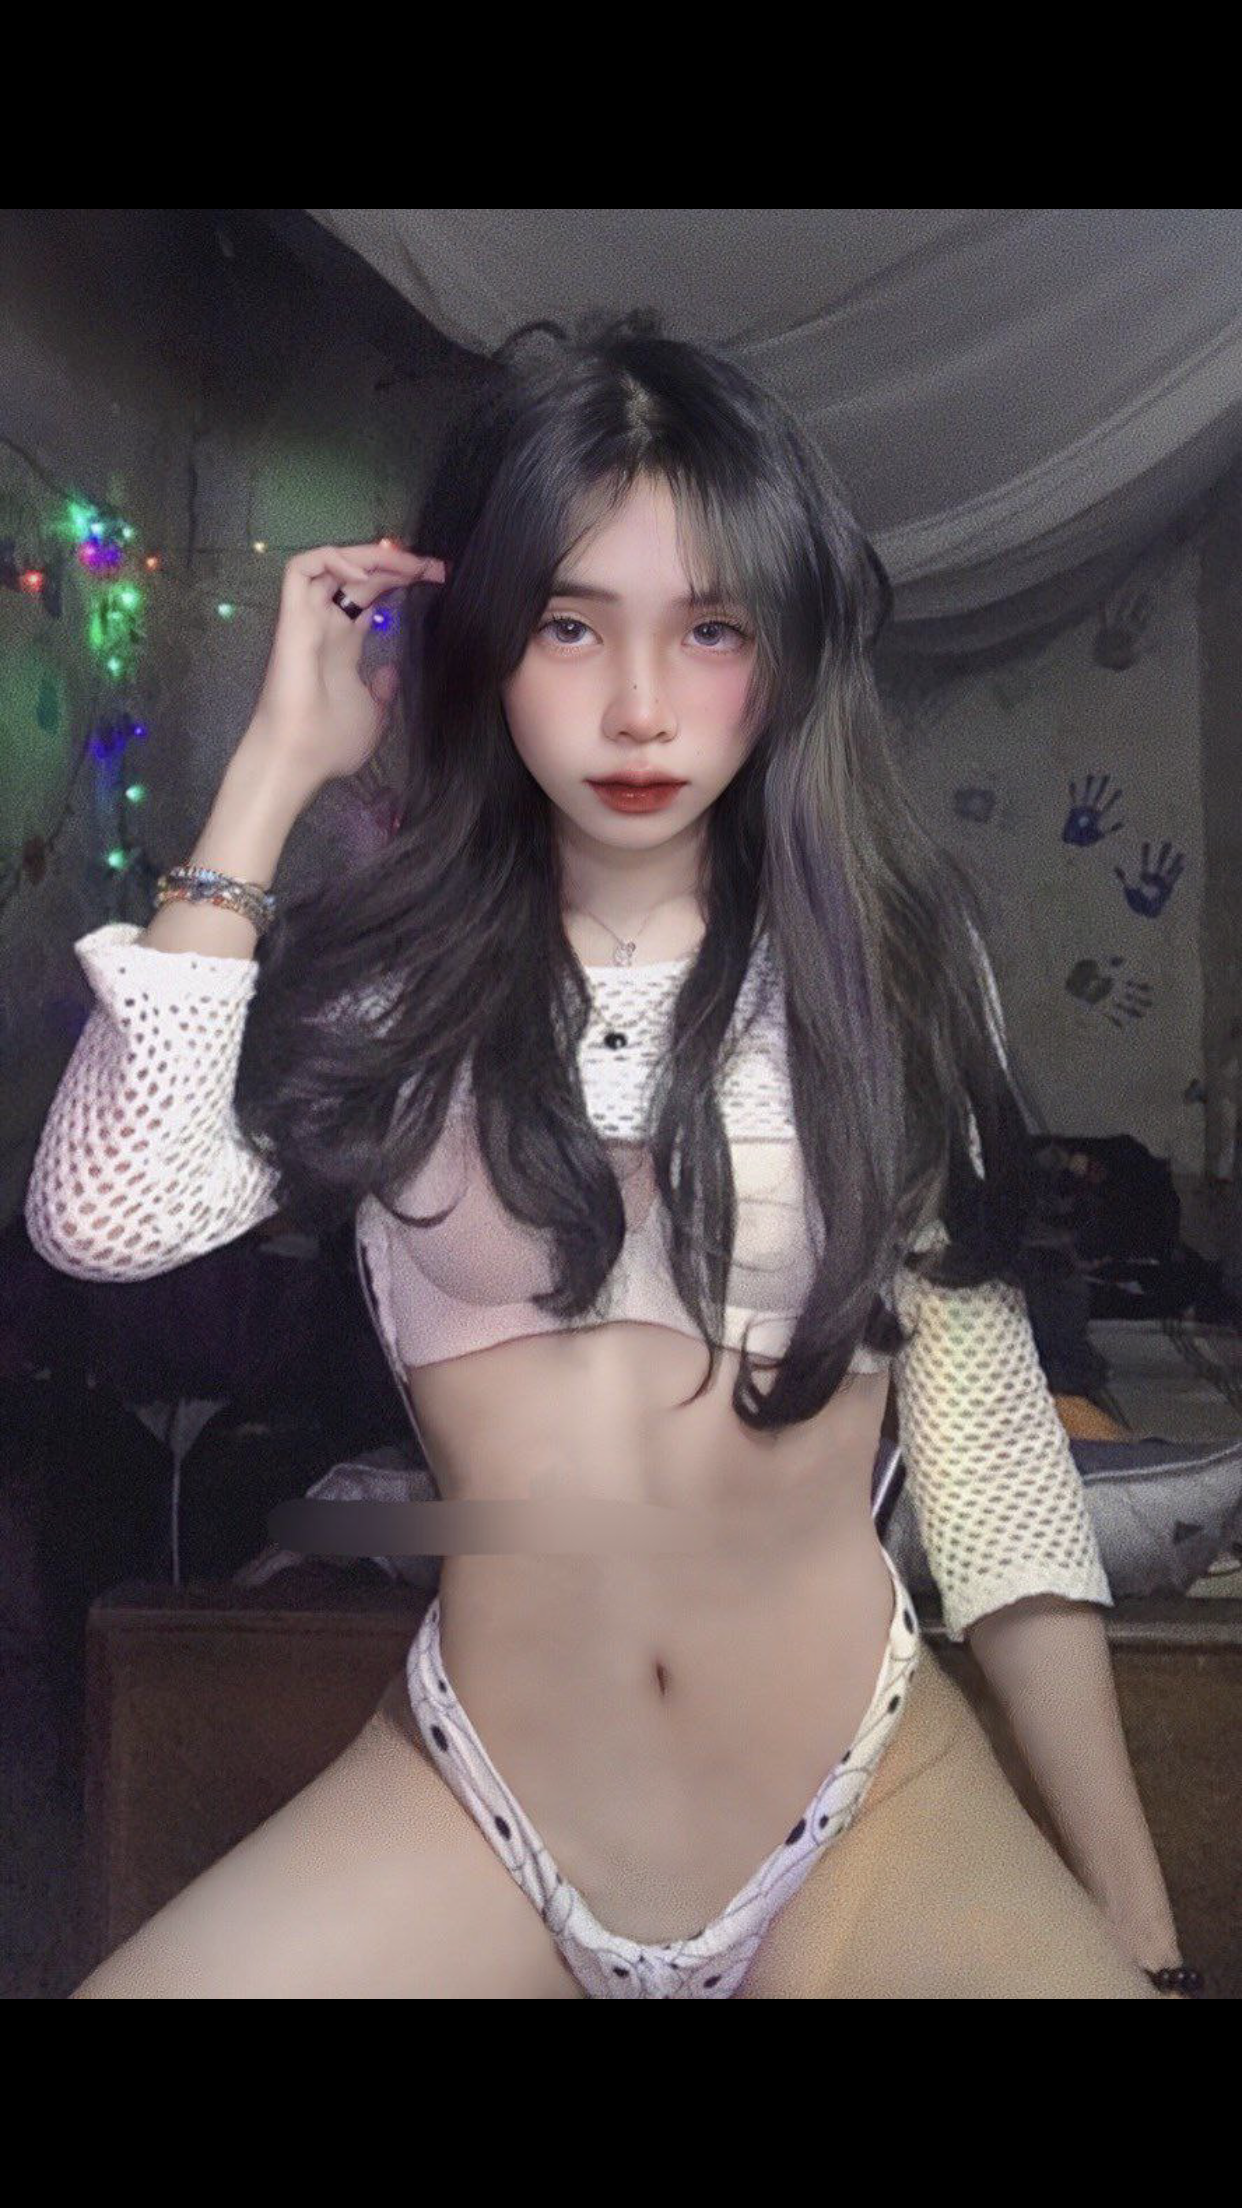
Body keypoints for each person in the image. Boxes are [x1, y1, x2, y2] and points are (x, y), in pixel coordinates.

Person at [27, 311, 1185, 1998]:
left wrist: (1134, 1916)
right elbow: (102, 1218)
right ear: (485, 639)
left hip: (856, 1803)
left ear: (781, 648)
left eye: (707, 629)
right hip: (480, 1805)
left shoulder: (888, 965)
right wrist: (272, 774)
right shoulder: (392, 983)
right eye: (568, 626)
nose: (639, 708)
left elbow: (988, 1445)